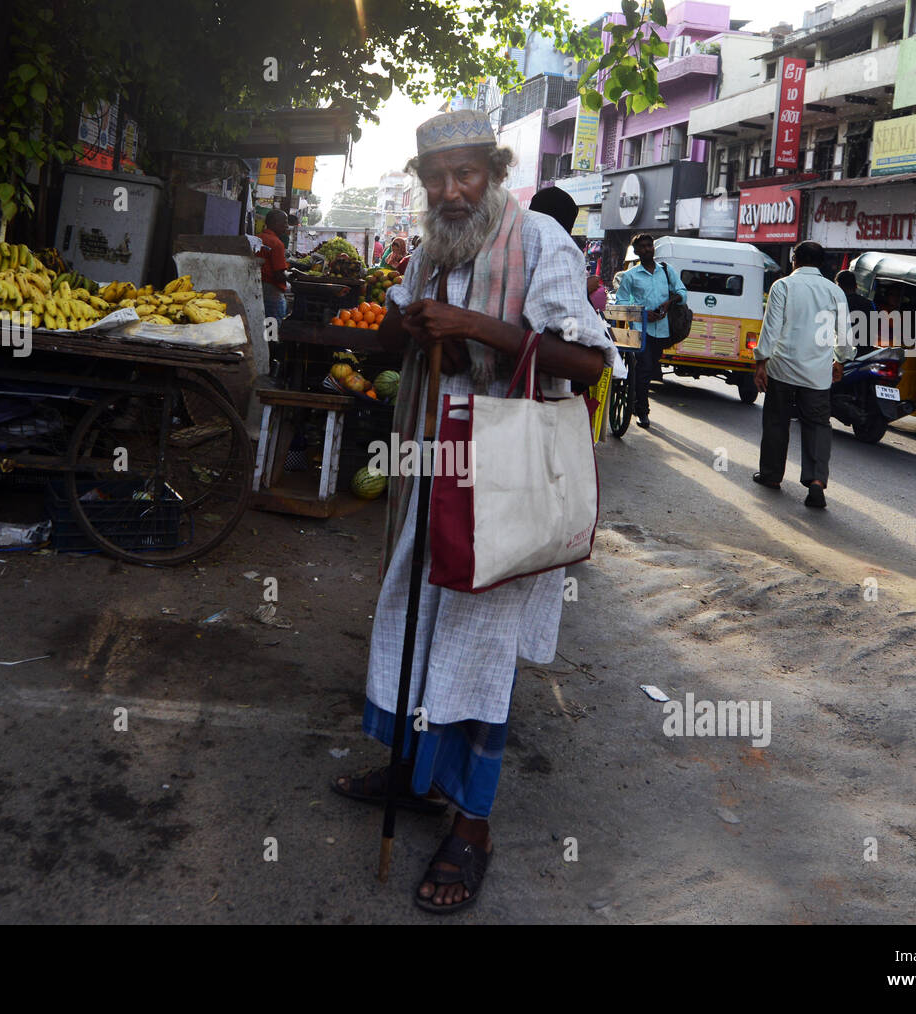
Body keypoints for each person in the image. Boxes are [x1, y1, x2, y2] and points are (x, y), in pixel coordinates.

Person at [330, 109, 614, 912]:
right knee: (411, 622)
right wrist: (414, 324)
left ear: (493, 171)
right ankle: (415, 775)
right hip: (435, 469)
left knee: (479, 651)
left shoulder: (541, 244)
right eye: (436, 178)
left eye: (466, 174)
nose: (451, 191)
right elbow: (405, 341)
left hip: (508, 483)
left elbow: (589, 365)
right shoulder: (431, 250)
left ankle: (473, 826)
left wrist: (470, 326)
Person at [752, 240, 854, 509]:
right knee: (818, 425)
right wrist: (841, 360)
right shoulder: (835, 291)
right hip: (817, 373)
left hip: (782, 367)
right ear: (821, 263)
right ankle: (817, 481)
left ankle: (772, 476)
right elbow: (844, 334)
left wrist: (760, 361)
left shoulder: (783, 286)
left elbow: (771, 328)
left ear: (794, 259)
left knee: (776, 421)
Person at [613, 233, 688, 428]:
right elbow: (621, 301)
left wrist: (669, 302)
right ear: (636, 252)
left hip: (662, 330)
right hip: (640, 329)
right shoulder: (630, 275)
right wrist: (643, 313)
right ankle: (642, 411)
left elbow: (682, 292)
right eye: (643, 247)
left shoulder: (666, 270)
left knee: (650, 368)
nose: (647, 249)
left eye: (650, 245)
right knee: (645, 368)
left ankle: (639, 398)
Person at [256, 209, 290, 321]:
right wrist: (293, 276)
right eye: (284, 222)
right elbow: (279, 275)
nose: (287, 226)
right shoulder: (277, 243)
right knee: (272, 324)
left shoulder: (257, 238)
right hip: (272, 292)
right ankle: (271, 338)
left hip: (256, 287)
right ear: (275, 223)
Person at [836, 270, 875, 352]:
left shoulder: (839, 304)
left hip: (845, 355)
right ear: (856, 286)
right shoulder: (869, 304)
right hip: (866, 353)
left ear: (838, 286)